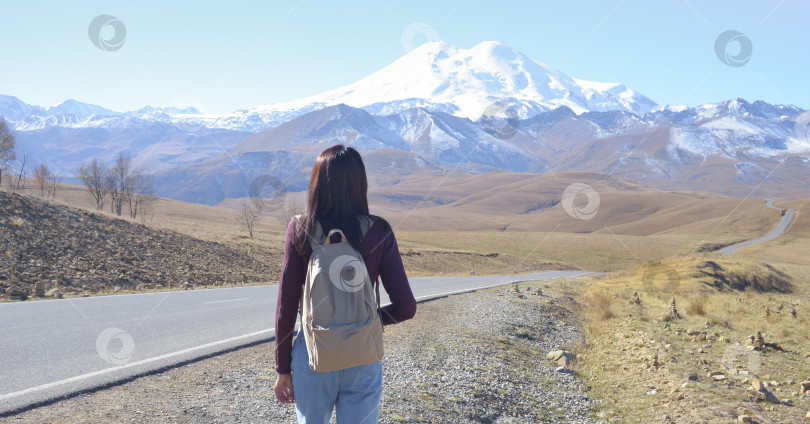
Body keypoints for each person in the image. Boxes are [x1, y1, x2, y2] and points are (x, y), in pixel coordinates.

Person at [273, 144, 417, 423]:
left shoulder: (300, 228)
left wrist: (282, 369)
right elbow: (406, 307)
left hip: (313, 352)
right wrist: (367, 321)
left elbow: (286, 307)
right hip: (363, 351)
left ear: (317, 183)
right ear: (359, 183)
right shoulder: (379, 230)